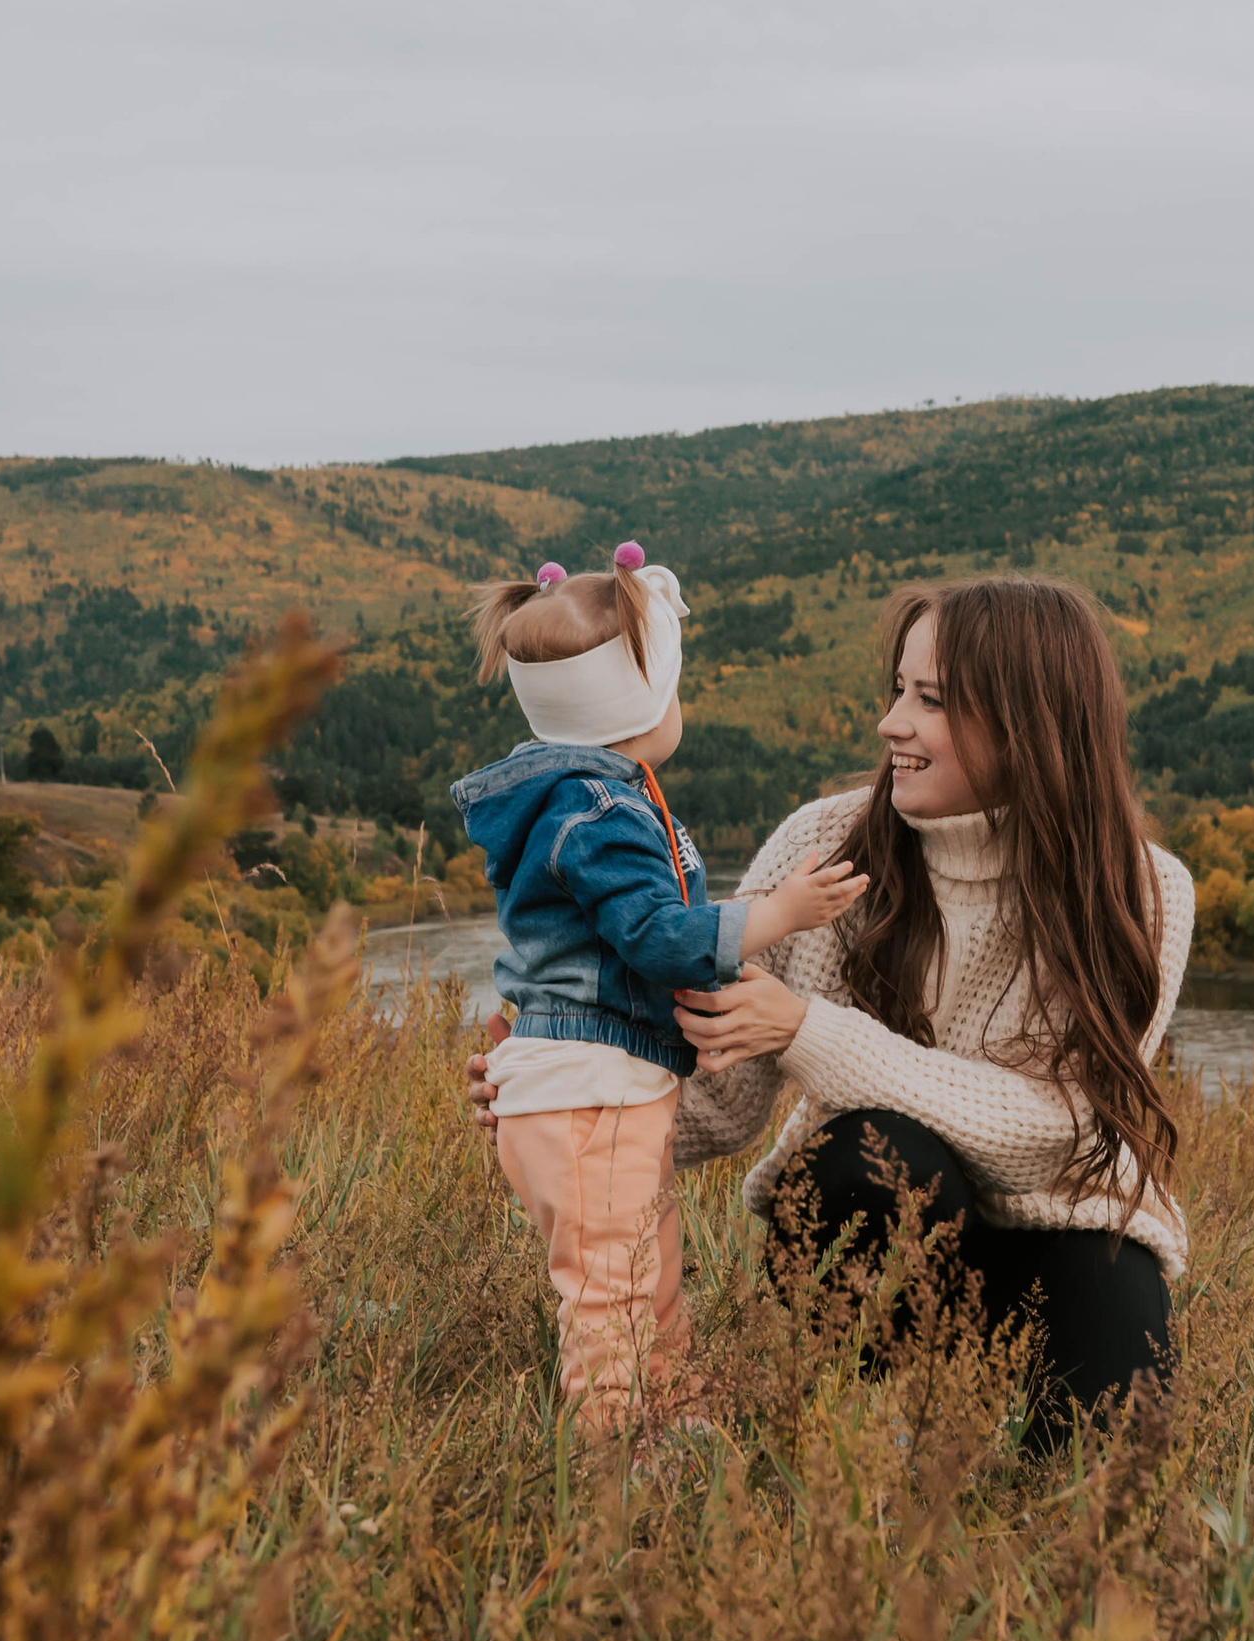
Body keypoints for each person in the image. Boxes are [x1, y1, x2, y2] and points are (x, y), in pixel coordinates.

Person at [669, 577, 1194, 1450]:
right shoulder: (820, 846)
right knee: (885, 1156)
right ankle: (851, 1436)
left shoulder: (1140, 891)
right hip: (876, 1219)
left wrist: (811, 1031)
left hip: (1063, 1229)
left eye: (932, 701)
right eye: (897, 690)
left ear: (1029, 722)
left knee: (1115, 1469)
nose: (891, 724)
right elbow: (719, 1103)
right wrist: (559, 1102)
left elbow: (1056, 1129)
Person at [451, 544, 866, 1439]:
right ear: (640, 704)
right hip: (593, 1092)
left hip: (594, 1091)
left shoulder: (583, 798)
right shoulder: (600, 814)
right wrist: (778, 911)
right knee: (610, 1298)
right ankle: (617, 1470)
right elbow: (660, 939)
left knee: (648, 1278)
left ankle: (673, 1429)